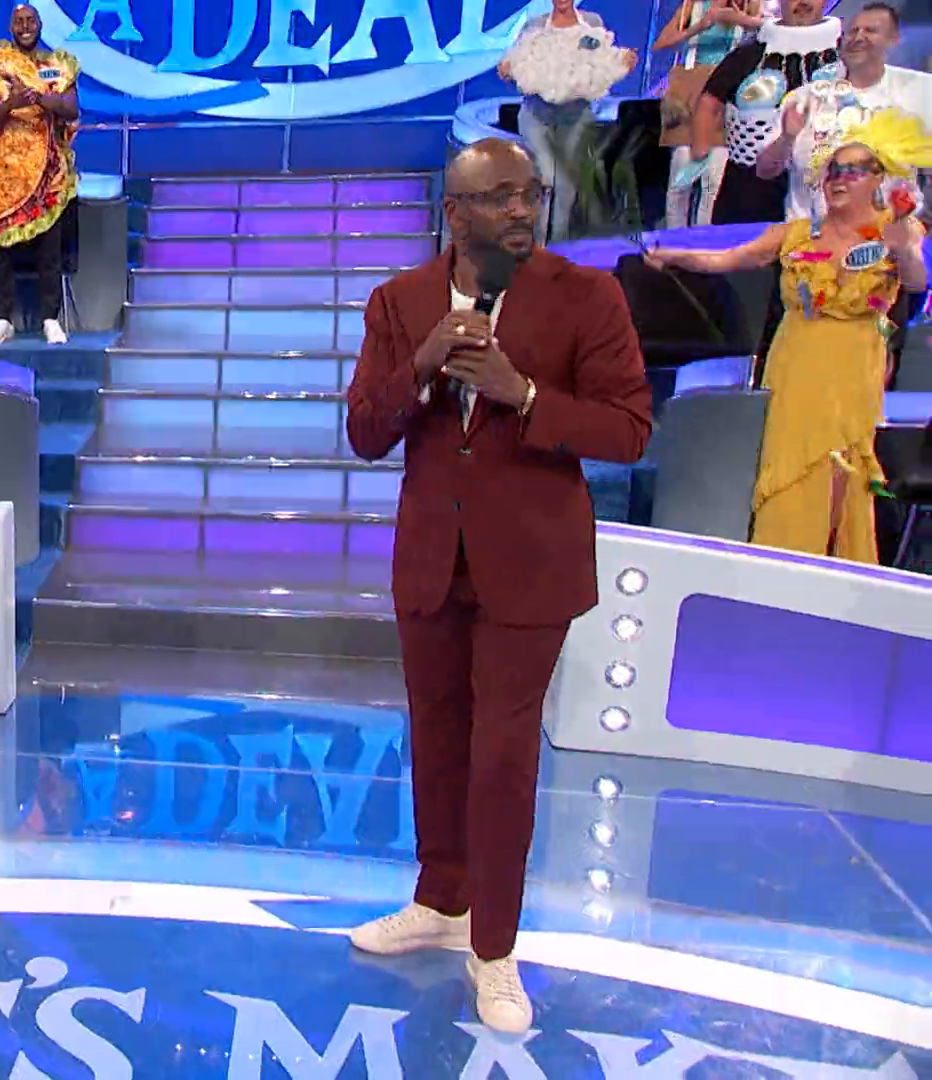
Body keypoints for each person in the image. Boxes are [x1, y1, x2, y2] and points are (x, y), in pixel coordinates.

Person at [342, 138, 652, 1034]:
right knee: (437, 737)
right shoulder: (400, 301)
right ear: (455, 213)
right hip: (432, 559)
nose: (522, 210)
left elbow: (630, 429)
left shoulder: (587, 296)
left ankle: (495, 947)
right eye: (501, 197)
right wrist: (420, 365)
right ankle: (441, 900)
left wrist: (526, 396)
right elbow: (364, 432)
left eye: (530, 194)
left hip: (532, 563)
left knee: (504, 753)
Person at [646, 109, 931, 561]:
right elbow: (729, 259)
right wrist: (675, 255)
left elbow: (916, 283)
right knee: (788, 460)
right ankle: (783, 557)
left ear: (878, 177)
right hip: (796, 358)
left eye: (854, 170)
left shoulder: (895, 230)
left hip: (854, 363)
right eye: (833, 170)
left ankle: (836, 562)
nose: (839, 179)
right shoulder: (797, 233)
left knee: (841, 462)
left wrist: (905, 251)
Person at [754, 3, 932, 222]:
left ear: (893, 39)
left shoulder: (922, 91)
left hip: (891, 235)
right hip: (809, 235)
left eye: (870, 31)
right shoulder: (804, 99)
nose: (858, 37)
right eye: (853, 31)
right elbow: (764, 170)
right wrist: (786, 138)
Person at [0, 5, 79, 346]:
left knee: (49, 249)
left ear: (40, 25)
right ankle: (3, 319)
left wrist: (42, 99)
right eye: (19, 22)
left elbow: (71, 108)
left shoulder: (57, 65)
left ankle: (50, 318)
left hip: (47, 172)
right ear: (11, 27)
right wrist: (12, 103)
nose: (25, 27)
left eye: (30, 21)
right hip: (7, 172)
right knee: (1, 249)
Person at [495, 0, 635, 243]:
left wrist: (622, 63)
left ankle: (557, 248)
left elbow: (602, 61)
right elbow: (517, 64)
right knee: (546, 178)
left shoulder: (591, 23)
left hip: (576, 119)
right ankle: (537, 248)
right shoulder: (535, 26)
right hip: (537, 116)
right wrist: (508, 70)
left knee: (567, 187)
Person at [693, 0, 842, 224]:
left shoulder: (846, 54)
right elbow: (709, 100)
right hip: (750, 195)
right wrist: (702, 152)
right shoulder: (750, 54)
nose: (803, 2)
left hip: (825, 194)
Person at [653, 0, 765, 227]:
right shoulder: (692, 6)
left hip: (725, 96)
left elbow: (769, 31)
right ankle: (675, 240)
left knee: (714, 183)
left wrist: (741, 20)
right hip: (690, 95)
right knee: (680, 181)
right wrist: (700, 25)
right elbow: (660, 44)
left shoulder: (746, 4)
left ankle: (705, 240)